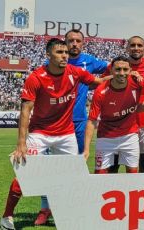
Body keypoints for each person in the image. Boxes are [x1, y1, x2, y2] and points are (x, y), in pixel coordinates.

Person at [0, 38, 111, 230]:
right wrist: (21, 143)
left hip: (66, 133)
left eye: (66, 52)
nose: (64, 56)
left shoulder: (75, 72)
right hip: (40, 133)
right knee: (25, 174)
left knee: (72, 175)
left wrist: (118, 76)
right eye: (59, 52)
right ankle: (7, 216)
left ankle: (70, 213)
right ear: (48, 55)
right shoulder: (36, 77)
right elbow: (25, 110)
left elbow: (97, 80)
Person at [34, 29, 109, 226]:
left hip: (78, 122)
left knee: (77, 166)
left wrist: (96, 86)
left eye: (78, 41)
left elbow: (112, 69)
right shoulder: (49, 66)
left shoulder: (90, 61)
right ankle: (45, 208)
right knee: (48, 167)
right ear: (64, 44)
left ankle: (74, 206)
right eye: (70, 41)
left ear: (83, 44)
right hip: (52, 124)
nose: (74, 44)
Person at [102, 36, 144, 173]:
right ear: (127, 47)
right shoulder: (117, 66)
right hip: (121, 123)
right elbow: (101, 82)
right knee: (114, 165)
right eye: (133, 45)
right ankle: (114, 192)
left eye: (139, 45)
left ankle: (140, 192)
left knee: (143, 163)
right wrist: (124, 75)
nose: (136, 48)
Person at [83, 56, 144, 174]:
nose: (121, 73)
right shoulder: (101, 91)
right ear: (111, 70)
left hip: (130, 136)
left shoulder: (137, 83)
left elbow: (140, 106)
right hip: (106, 137)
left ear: (130, 70)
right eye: (118, 69)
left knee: (133, 173)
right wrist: (87, 148)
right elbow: (92, 120)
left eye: (125, 70)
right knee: (100, 174)